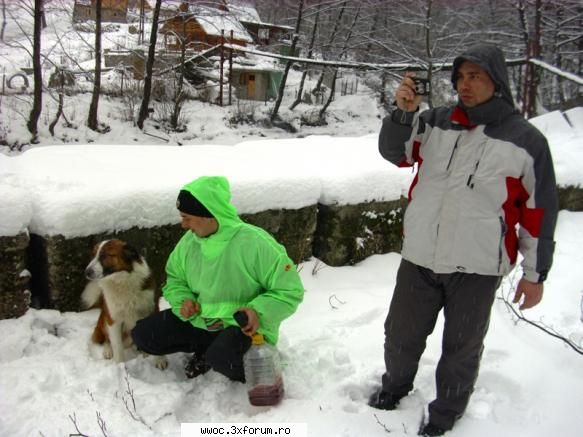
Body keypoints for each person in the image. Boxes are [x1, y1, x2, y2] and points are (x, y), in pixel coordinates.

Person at [369, 44, 558, 436]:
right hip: (420, 256)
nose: (464, 84)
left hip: (477, 267)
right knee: (400, 335)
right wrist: (404, 112)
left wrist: (534, 275)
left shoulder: (526, 141)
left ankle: (445, 414)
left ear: (497, 81)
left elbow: (539, 215)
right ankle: (394, 388)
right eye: (460, 77)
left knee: (461, 350)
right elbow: (395, 153)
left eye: (475, 76)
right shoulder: (435, 121)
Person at [132, 176, 304, 382]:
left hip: (244, 328)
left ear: (208, 216)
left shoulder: (255, 243)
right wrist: (183, 300)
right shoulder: (188, 244)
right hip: (202, 321)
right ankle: (208, 350)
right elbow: (174, 279)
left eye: (187, 217)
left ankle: (261, 368)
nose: (183, 225)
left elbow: (290, 291)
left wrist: (257, 311)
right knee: (144, 335)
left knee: (224, 358)